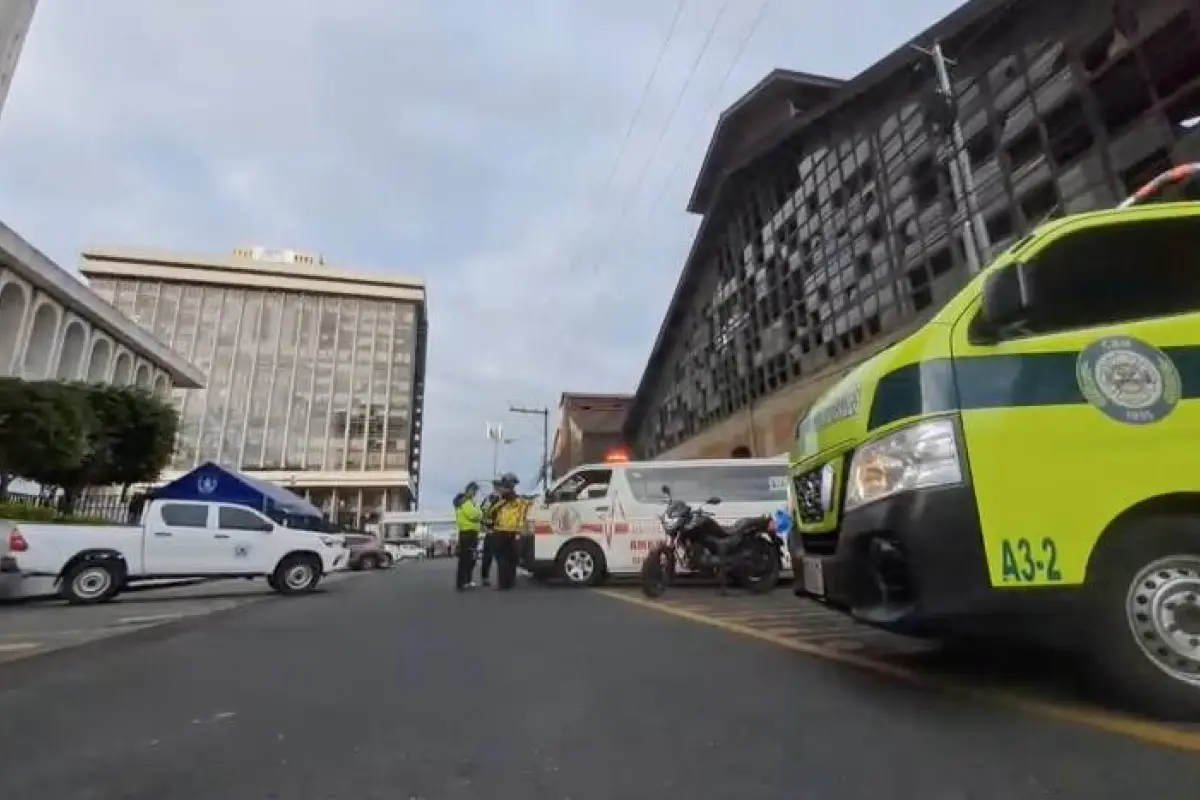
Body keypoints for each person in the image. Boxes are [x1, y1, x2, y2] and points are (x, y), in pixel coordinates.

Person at [488, 472, 531, 590]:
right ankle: (507, 583)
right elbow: (490, 515)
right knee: (507, 558)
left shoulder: (517, 502)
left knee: (507, 558)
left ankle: (506, 583)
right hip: (505, 532)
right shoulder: (502, 502)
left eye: (508, 486)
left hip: (508, 532)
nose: (506, 489)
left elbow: (489, 515)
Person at [452, 481, 483, 591]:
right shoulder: (465, 502)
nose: (474, 493)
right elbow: (473, 514)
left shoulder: (471, 502)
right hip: (467, 532)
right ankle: (461, 583)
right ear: (468, 490)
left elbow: (478, 513)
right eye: (473, 490)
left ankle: (467, 580)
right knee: (465, 559)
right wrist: (479, 513)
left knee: (471, 558)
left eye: (475, 491)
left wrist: (478, 512)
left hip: (472, 532)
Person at [478, 479, 502, 586]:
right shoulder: (489, 499)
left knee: (501, 556)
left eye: (498, 486)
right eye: (496, 486)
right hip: (492, 530)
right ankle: (485, 577)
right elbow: (482, 513)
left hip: (501, 530)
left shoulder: (503, 499)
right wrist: (484, 526)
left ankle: (501, 578)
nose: (497, 488)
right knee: (488, 556)